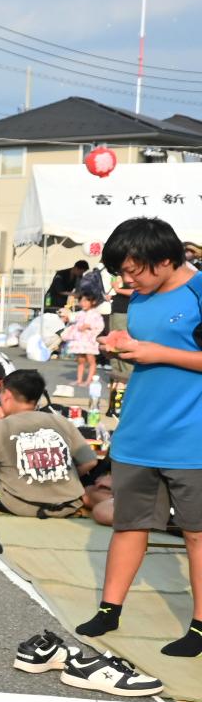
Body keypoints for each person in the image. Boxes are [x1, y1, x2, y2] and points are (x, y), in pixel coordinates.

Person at [75, 217, 202, 661]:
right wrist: (122, 342)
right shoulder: (142, 297)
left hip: (191, 436)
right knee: (129, 525)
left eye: (134, 270)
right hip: (137, 432)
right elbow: (145, 346)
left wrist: (156, 352)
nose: (128, 280)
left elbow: (168, 352)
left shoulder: (197, 291)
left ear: (165, 259)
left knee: (196, 534)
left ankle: (200, 626)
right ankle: (110, 609)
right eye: (122, 273)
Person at [0, 370, 109, 519]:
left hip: (24, 505)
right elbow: (90, 461)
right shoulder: (59, 421)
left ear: (7, 395)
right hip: (69, 503)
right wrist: (61, 478)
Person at [64, 291, 103, 387]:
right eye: (81, 301)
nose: (83, 303)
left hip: (89, 341)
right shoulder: (80, 313)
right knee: (80, 360)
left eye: (86, 301)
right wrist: (66, 316)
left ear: (93, 302)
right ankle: (79, 379)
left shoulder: (95, 314)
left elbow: (100, 325)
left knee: (91, 360)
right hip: (80, 341)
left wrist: (89, 326)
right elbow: (72, 318)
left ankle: (89, 380)